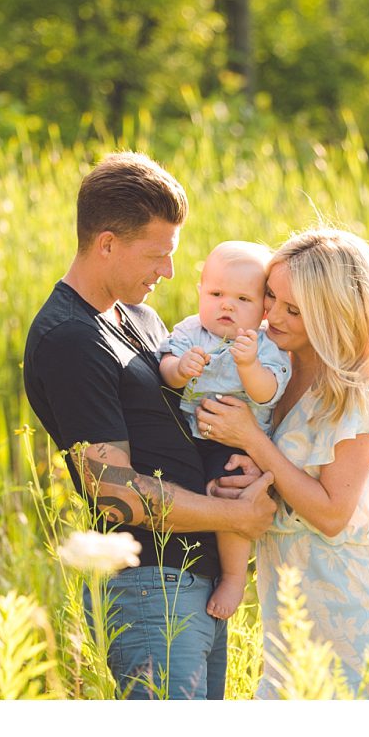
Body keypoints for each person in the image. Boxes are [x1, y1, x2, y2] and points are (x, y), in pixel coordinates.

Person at [22, 151, 277, 700]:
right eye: (156, 256)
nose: (169, 273)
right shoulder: (70, 339)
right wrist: (236, 514)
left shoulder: (140, 317)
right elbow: (113, 492)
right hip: (150, 587)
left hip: (199, 578)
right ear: (107, 243)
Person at [198, 227, 369, 699]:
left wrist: (253, 442)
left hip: (349, 607)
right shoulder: (267, 366)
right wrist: (236, 487)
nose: (272, 316)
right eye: (271, 297)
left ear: (330, 315)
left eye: (293, 310)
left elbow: (331, 514)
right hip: (288, 605)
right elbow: (280, 479)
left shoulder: (355, 395)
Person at [158, 241, 292, 620]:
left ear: (263, 309)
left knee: (233, 491)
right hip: (187, 433)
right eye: (216, 294)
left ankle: (234, 576)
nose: (226, 305)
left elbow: (267, 391)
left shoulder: (263, 345)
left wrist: (248, 365)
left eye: (242, 299)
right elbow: (165, 368)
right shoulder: (191, 331)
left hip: (231, 445)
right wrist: (180, 368)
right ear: (200, 291)